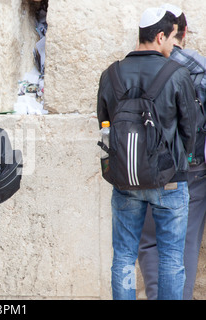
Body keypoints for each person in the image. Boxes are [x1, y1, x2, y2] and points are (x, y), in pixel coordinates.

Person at [97, 8, 197, 299]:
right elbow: (191, 128)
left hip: (124, 179)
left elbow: (104, 123)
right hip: (170, 179)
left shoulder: (110, 74)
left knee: (124, 256)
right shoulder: (177, 74)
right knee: (170, 258)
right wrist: (183, 161)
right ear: (160, 36)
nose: (173, 45)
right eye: (172, 38)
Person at [138, 3, 206, 300]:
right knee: (186, 240)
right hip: (192, 167)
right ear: (184, 32)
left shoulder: (136, 66)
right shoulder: (199, 66)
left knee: (150, 240)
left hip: (149, 166)